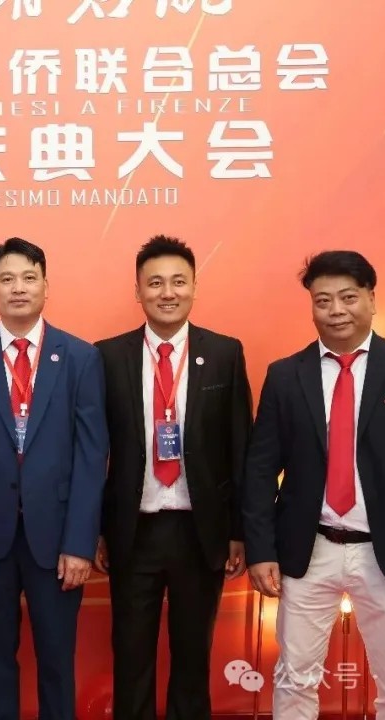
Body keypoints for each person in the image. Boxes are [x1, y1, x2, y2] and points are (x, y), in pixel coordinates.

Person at [241, 251, 385, 720]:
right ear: (311, 306)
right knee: (294, 678)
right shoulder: (286, 375)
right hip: (309, 550)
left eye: (348, 297)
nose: (336, 310)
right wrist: (261, 550)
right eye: (323, 300)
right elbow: (260, 469)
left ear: (371, 299)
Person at [0, 237, 109, 720]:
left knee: (57, 660)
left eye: (29, 277)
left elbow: (91, 455)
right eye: (7, 279)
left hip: (56, 540)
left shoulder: (79, 357)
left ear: (46, 286)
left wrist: (80, 543)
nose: (18, 288)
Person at [94, 235, 252, 720]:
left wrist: (239, 531)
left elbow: (241, 447)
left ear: (195, 287)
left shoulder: (224, 352)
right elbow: (92, 453)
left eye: (178, 282)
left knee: (192, 659)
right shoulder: (107, 356)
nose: (168, 293)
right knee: (131, 658)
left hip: (199, 531)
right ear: (138, 291)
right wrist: (95, 530)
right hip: (133, 531)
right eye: (155, 283)